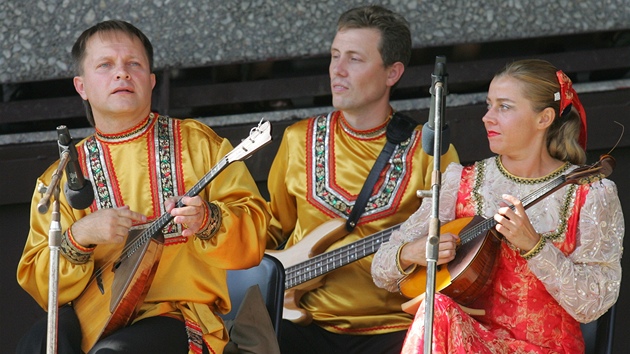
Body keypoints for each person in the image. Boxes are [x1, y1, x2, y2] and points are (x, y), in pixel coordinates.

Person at [16, 20, 270, 354]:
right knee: (37, 344)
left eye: (133, 64)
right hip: (94, 316)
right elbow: (41, 284)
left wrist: (207, 219)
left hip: (179, 319)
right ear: (82, 86)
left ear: (151, 81)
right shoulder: (61, 176)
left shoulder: (199, 145)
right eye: (105, 65)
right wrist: (79, 236)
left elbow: (254, 236)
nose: (121, 73)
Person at [372, 59, 624, 353]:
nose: (487, 117)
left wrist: (535, 246)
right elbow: (381, 269)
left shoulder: (591, 193)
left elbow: (593, 304)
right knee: (435, 308)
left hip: (546, 348)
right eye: (488, 105)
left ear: (543, 119)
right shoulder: (459, 181)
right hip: (467, 342)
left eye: (504, 107)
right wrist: (411, 252)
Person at [265, 5, 459, 354]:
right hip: (302, 325)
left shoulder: (429, 150)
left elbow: (453, 240)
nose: (337, 71)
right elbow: (273, 229)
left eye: (354, 59)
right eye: (335, 56)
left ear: (392, 73)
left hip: (396, 330)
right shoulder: (298, 140)